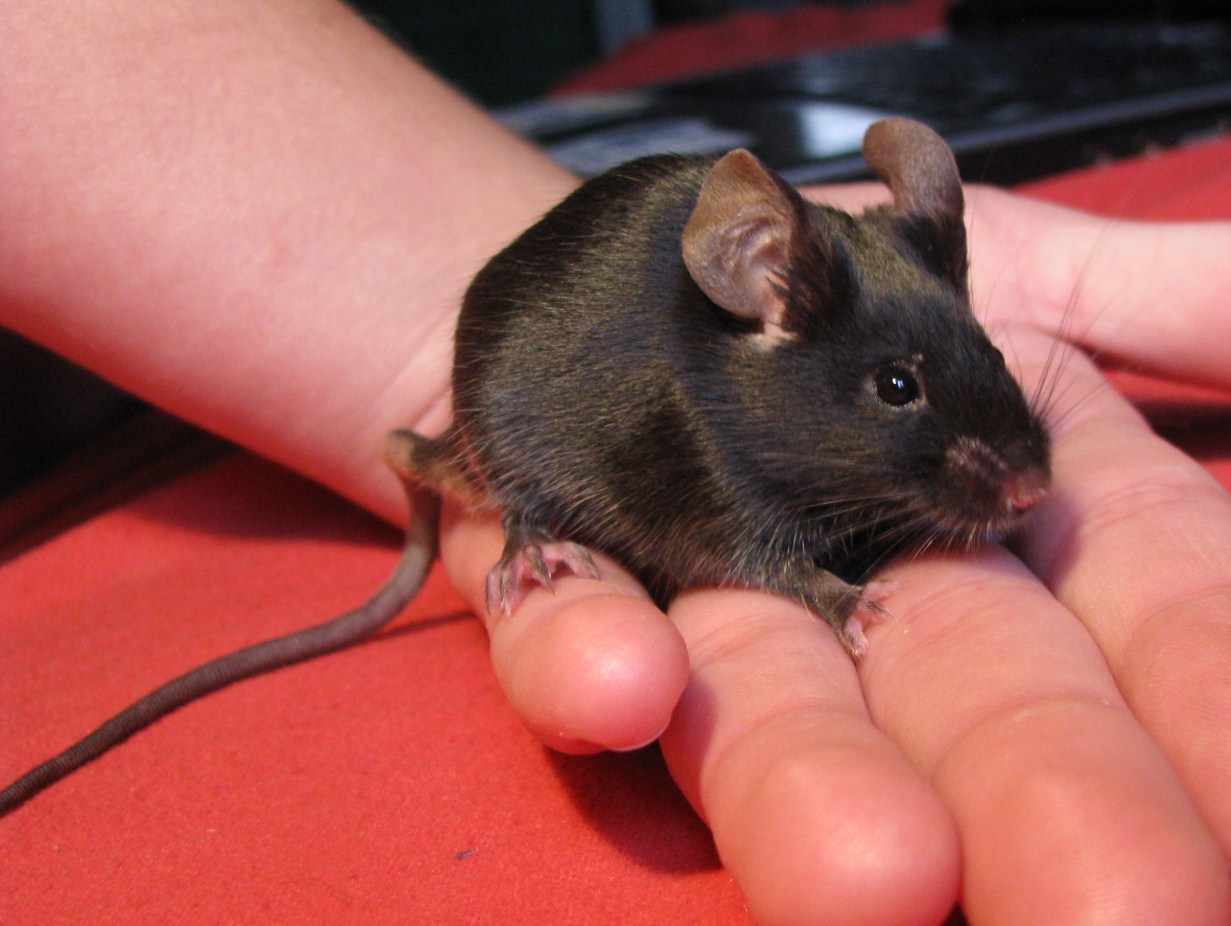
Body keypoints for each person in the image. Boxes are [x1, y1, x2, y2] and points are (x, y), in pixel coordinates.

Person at [3, 3, 1229, 924]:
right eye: (899, 391)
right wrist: (811, 582)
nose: (1018, 478)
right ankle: (526, 520)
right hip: (524, 416)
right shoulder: (720, 405)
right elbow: (717, 529)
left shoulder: (833, 329)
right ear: (766, 311)